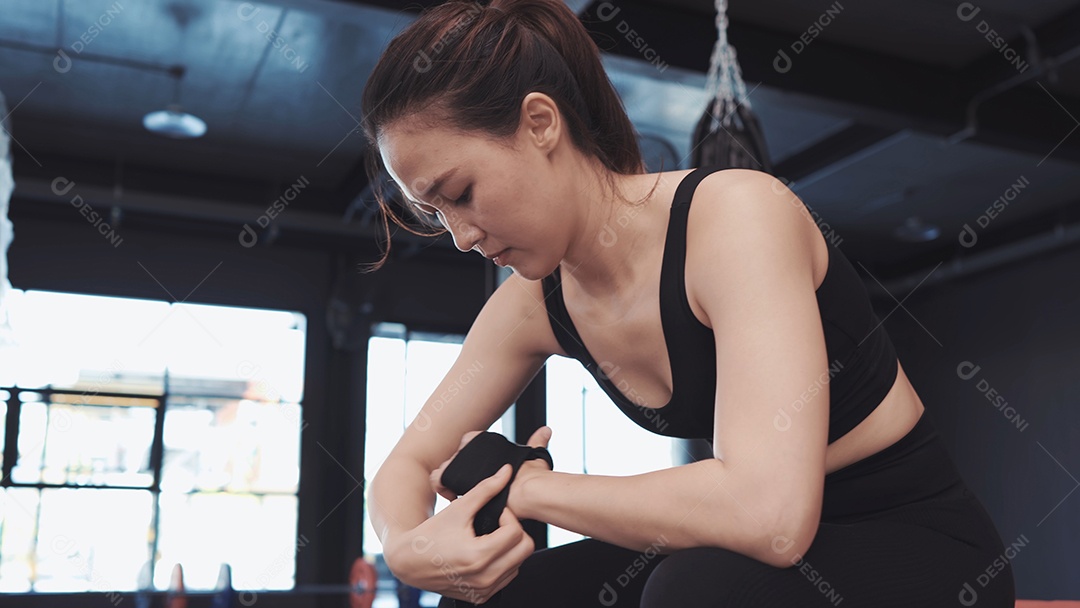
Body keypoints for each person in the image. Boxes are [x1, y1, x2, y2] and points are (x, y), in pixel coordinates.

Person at [359, 1, 1017, 606]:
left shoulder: (735, 215)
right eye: (434, 213)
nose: (462, 237)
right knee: (497, 597)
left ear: (539, 123)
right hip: (745, 558)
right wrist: (407, 549)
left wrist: (529, 487)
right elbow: (404, 468)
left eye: (462, 192)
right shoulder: (531, 306)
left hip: (916, 541)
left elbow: (770, 518)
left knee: (695, 591)